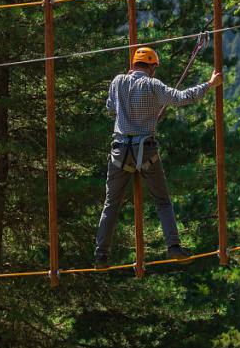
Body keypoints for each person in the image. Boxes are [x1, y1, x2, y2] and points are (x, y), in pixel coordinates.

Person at [94, 46, 222, 269]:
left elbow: (110, 108)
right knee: (162, 201)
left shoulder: (117, 81)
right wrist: (209, 85)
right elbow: (182, 98)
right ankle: (173, 246)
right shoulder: (153, 85)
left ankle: (101, 256)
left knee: (111, 204)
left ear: (133, 64)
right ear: (152, 67)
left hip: (119, 152)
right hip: (146, 152)